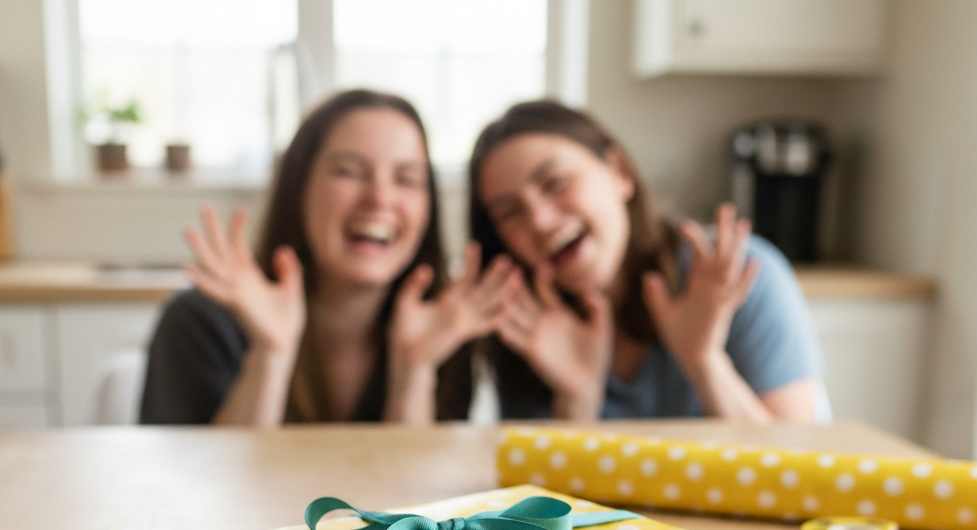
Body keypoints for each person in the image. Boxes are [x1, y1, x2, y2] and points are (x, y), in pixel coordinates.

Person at [140, 89, 520, 425]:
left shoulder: (442, 330)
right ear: (298, 187)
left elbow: (415, 499)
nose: (380, 198)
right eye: (349, 172)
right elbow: (197, 492)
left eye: (406, 179)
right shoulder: (199, 323)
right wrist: (269, 355)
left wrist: (414, 371)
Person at [468, 100, 827, 423]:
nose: (540, 221)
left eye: (555, 182)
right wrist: (576, 398)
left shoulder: (739, 275)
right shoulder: (523, 325)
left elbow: (796, 469)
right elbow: (546, 495)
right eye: (510, 212)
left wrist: (704, 362)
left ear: (619, 172)